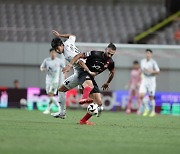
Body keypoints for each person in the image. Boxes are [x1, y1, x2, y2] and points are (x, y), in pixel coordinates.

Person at [63, 43, 116, 125]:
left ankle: (83, 121)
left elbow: (112, 72)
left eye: (112, 54)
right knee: (89, 85)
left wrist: (107, 82)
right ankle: (84, 98)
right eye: (108, 53)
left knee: (99, 103)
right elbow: (79, 55)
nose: (109, 55)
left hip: (91, 77)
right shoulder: (95, 53)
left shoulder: (110, 62)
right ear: (105, 50)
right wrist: (69, 66)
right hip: (83, 73)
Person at [50, 30, 96, 119]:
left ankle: (62, 113)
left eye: (57, 48)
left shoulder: (68, 54)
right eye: (55, 49)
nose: (57, 50)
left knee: (61, 90)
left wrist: (88, 72)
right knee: (85, 92)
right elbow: (72, 36)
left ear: (61, 45)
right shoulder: (67, 43)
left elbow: (80, 62)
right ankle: (96, 106)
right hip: (80, 71)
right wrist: (60, 35)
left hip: (81, 73)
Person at [40, 48, 65, 114]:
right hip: (48, 80)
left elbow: (64, 68)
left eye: (54, 53)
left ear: (56, 53)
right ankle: (49, 109)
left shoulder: (59, 61)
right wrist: (44, 69)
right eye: (52, 53)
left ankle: (60, 108)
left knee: (51, 95)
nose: (53, 54)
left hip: (55, 80)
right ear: (50, 53)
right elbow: (41, 67)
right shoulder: (46, 60)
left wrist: (65, 76)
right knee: (50, 95)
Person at [139, 49, 160, 117]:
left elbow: (158, 71)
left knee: (151, 96)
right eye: (146, 53)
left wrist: (152, 71)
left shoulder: (153, 63)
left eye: (149, 53)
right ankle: (147, 108)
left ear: (151, 55)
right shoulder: (142, 61)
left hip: (151, 80)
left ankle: (153, 111)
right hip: (145, 79)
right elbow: (142, 70)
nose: (147, 55)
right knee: (141, 95)